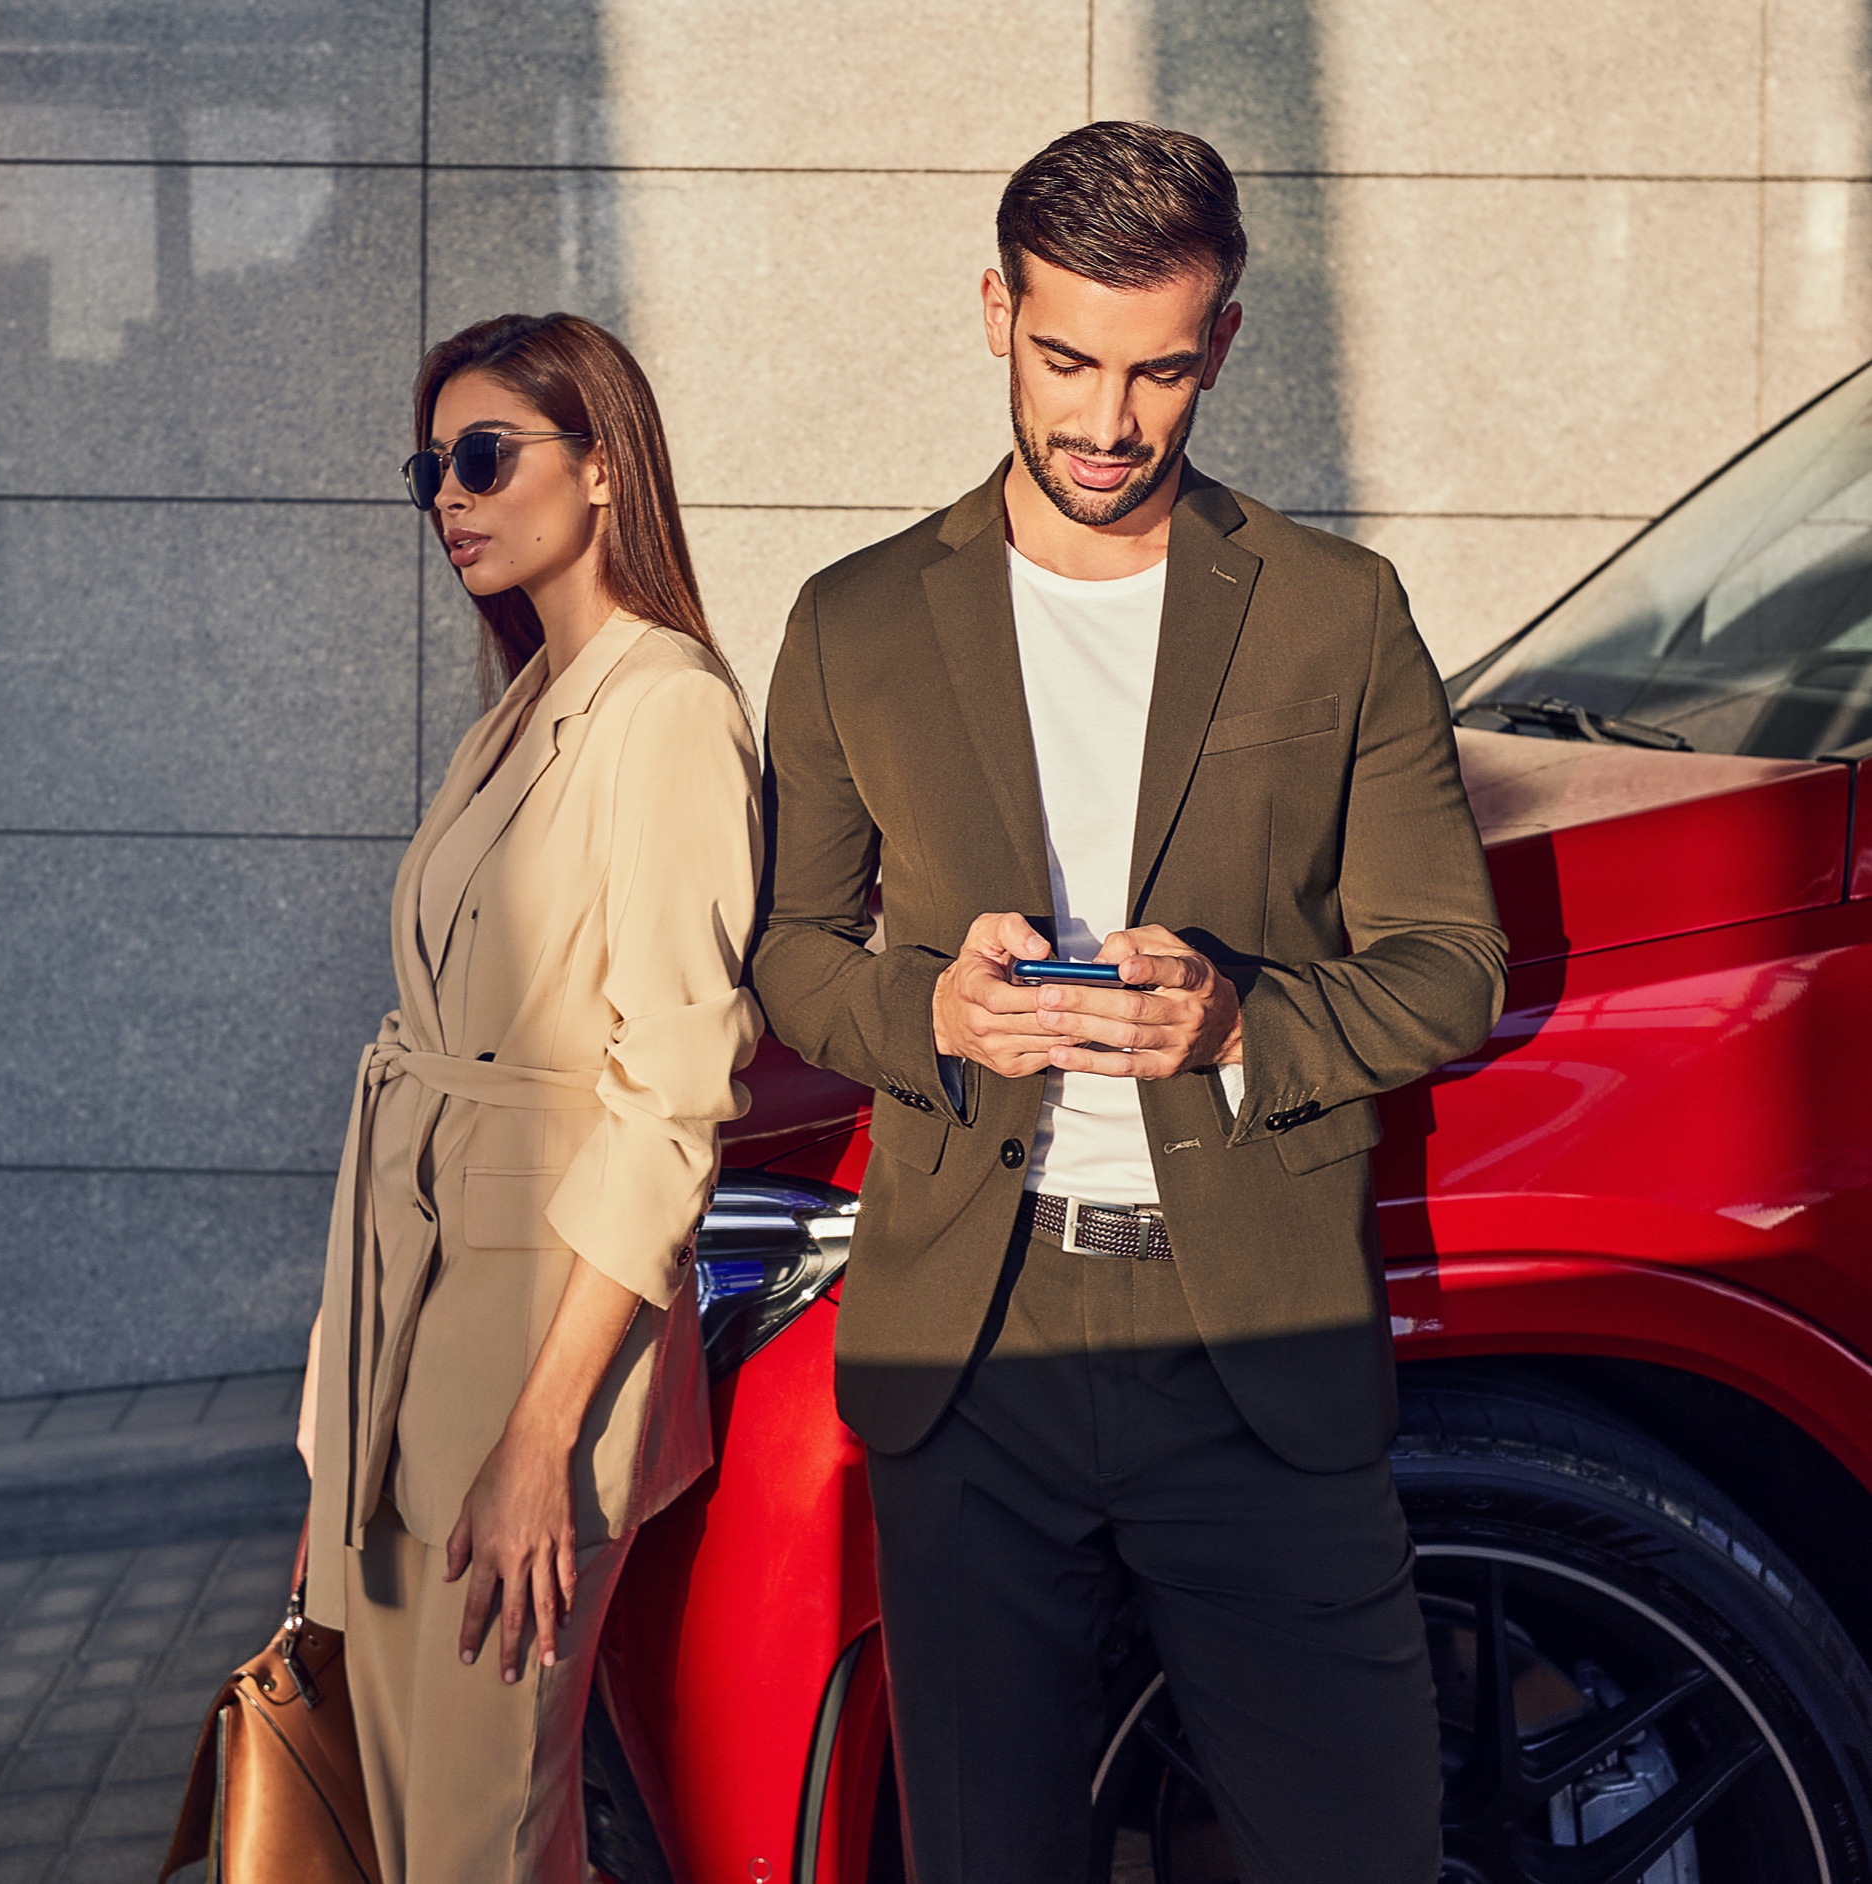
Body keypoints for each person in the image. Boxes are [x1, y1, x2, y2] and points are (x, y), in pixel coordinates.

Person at [751, 122, 1507, 1883]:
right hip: (971, 1347)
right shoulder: (856, 619)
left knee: (1359, 1846)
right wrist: (933, 1013)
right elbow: (789, 953)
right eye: (1068, 359)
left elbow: (1446, 963)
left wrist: (1244, 1024)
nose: (1108, 423)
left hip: (1255, 1346)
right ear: (998, 312)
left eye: (1161, 370)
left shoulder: (1335, 612)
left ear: (1223, 341)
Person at [294, 311, 761, 1883]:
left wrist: (536, 1444)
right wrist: (342, 1457)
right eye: (432, 466)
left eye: (485, 456)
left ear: (604, 466)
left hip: (532, 1345)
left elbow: (672, 1099)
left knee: (487, 1832)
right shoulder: (525, 699)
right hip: (413, 1332)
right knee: (407, 1814)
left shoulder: (669, 708)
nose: (450, 494)